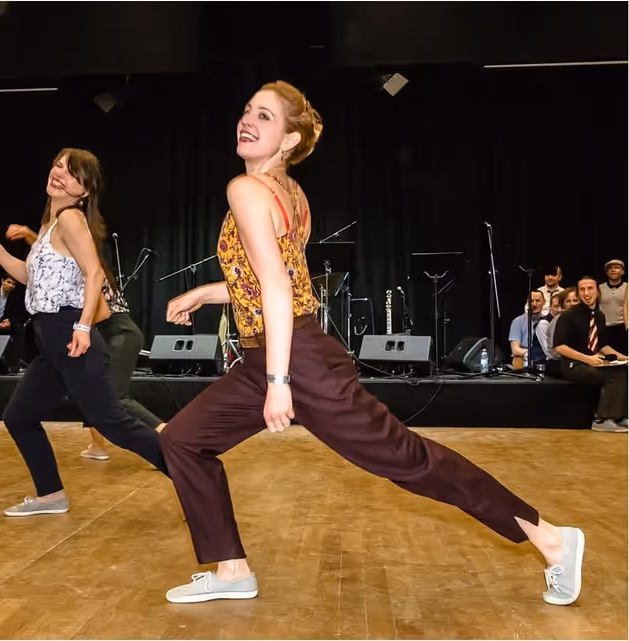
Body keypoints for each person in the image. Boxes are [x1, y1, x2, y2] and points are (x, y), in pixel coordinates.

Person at [158, 81, 583, 606]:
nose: (248, 121)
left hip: (294, 359)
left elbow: (276, 290)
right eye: (248, 111)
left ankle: (552, 539)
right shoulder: (290, 194)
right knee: (182, 439)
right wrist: (206, 292)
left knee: (408, 459)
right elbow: (277, 281)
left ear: (289, 140)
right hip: (272, 351)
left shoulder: (246, 190)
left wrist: (278, 382)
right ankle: (231, 569)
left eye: (265, 117)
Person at [0, 148, 168, 517]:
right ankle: (51, 496)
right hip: (49, 339)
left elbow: (94, 272)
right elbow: (33, 279)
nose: (59, 174)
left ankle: (190, 472)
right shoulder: (49, 225)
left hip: (68, 331)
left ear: (84, 190)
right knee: (19, 416)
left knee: (113, 422)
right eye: (58, 166)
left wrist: (82, 324)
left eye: (71, 173)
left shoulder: (70, 218)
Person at [7, 224, 165, 461]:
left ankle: (167, 436)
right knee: (89, 392)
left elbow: (101, 314)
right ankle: (98, 446)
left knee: (116, 397)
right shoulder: (74, 265)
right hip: (104, 334)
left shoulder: (87, 270)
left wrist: (79, 325)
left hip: (118, 333)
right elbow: (45, 256)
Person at [552, 276, 627, 432]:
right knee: (611, 376)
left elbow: (603, 346)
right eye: (582, 289)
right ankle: (602, 420)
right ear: (578, 293)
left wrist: (624, 358)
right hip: (573, 365)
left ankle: (620, 416)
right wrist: (587, 359)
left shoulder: (599, 316)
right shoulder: (568, 316)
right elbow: (559, 347)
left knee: (623, 370)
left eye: (590, 288)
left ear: (597, 292)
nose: (587, 293)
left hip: (593, 361)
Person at [599, 259, 627, 356]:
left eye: (616, 267)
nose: (613, 270)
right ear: (606, 273)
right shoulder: (599, 288)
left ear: (623, 271)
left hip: (623, 328)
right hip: (605, 328)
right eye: (610, 268)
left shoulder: (627, 287)